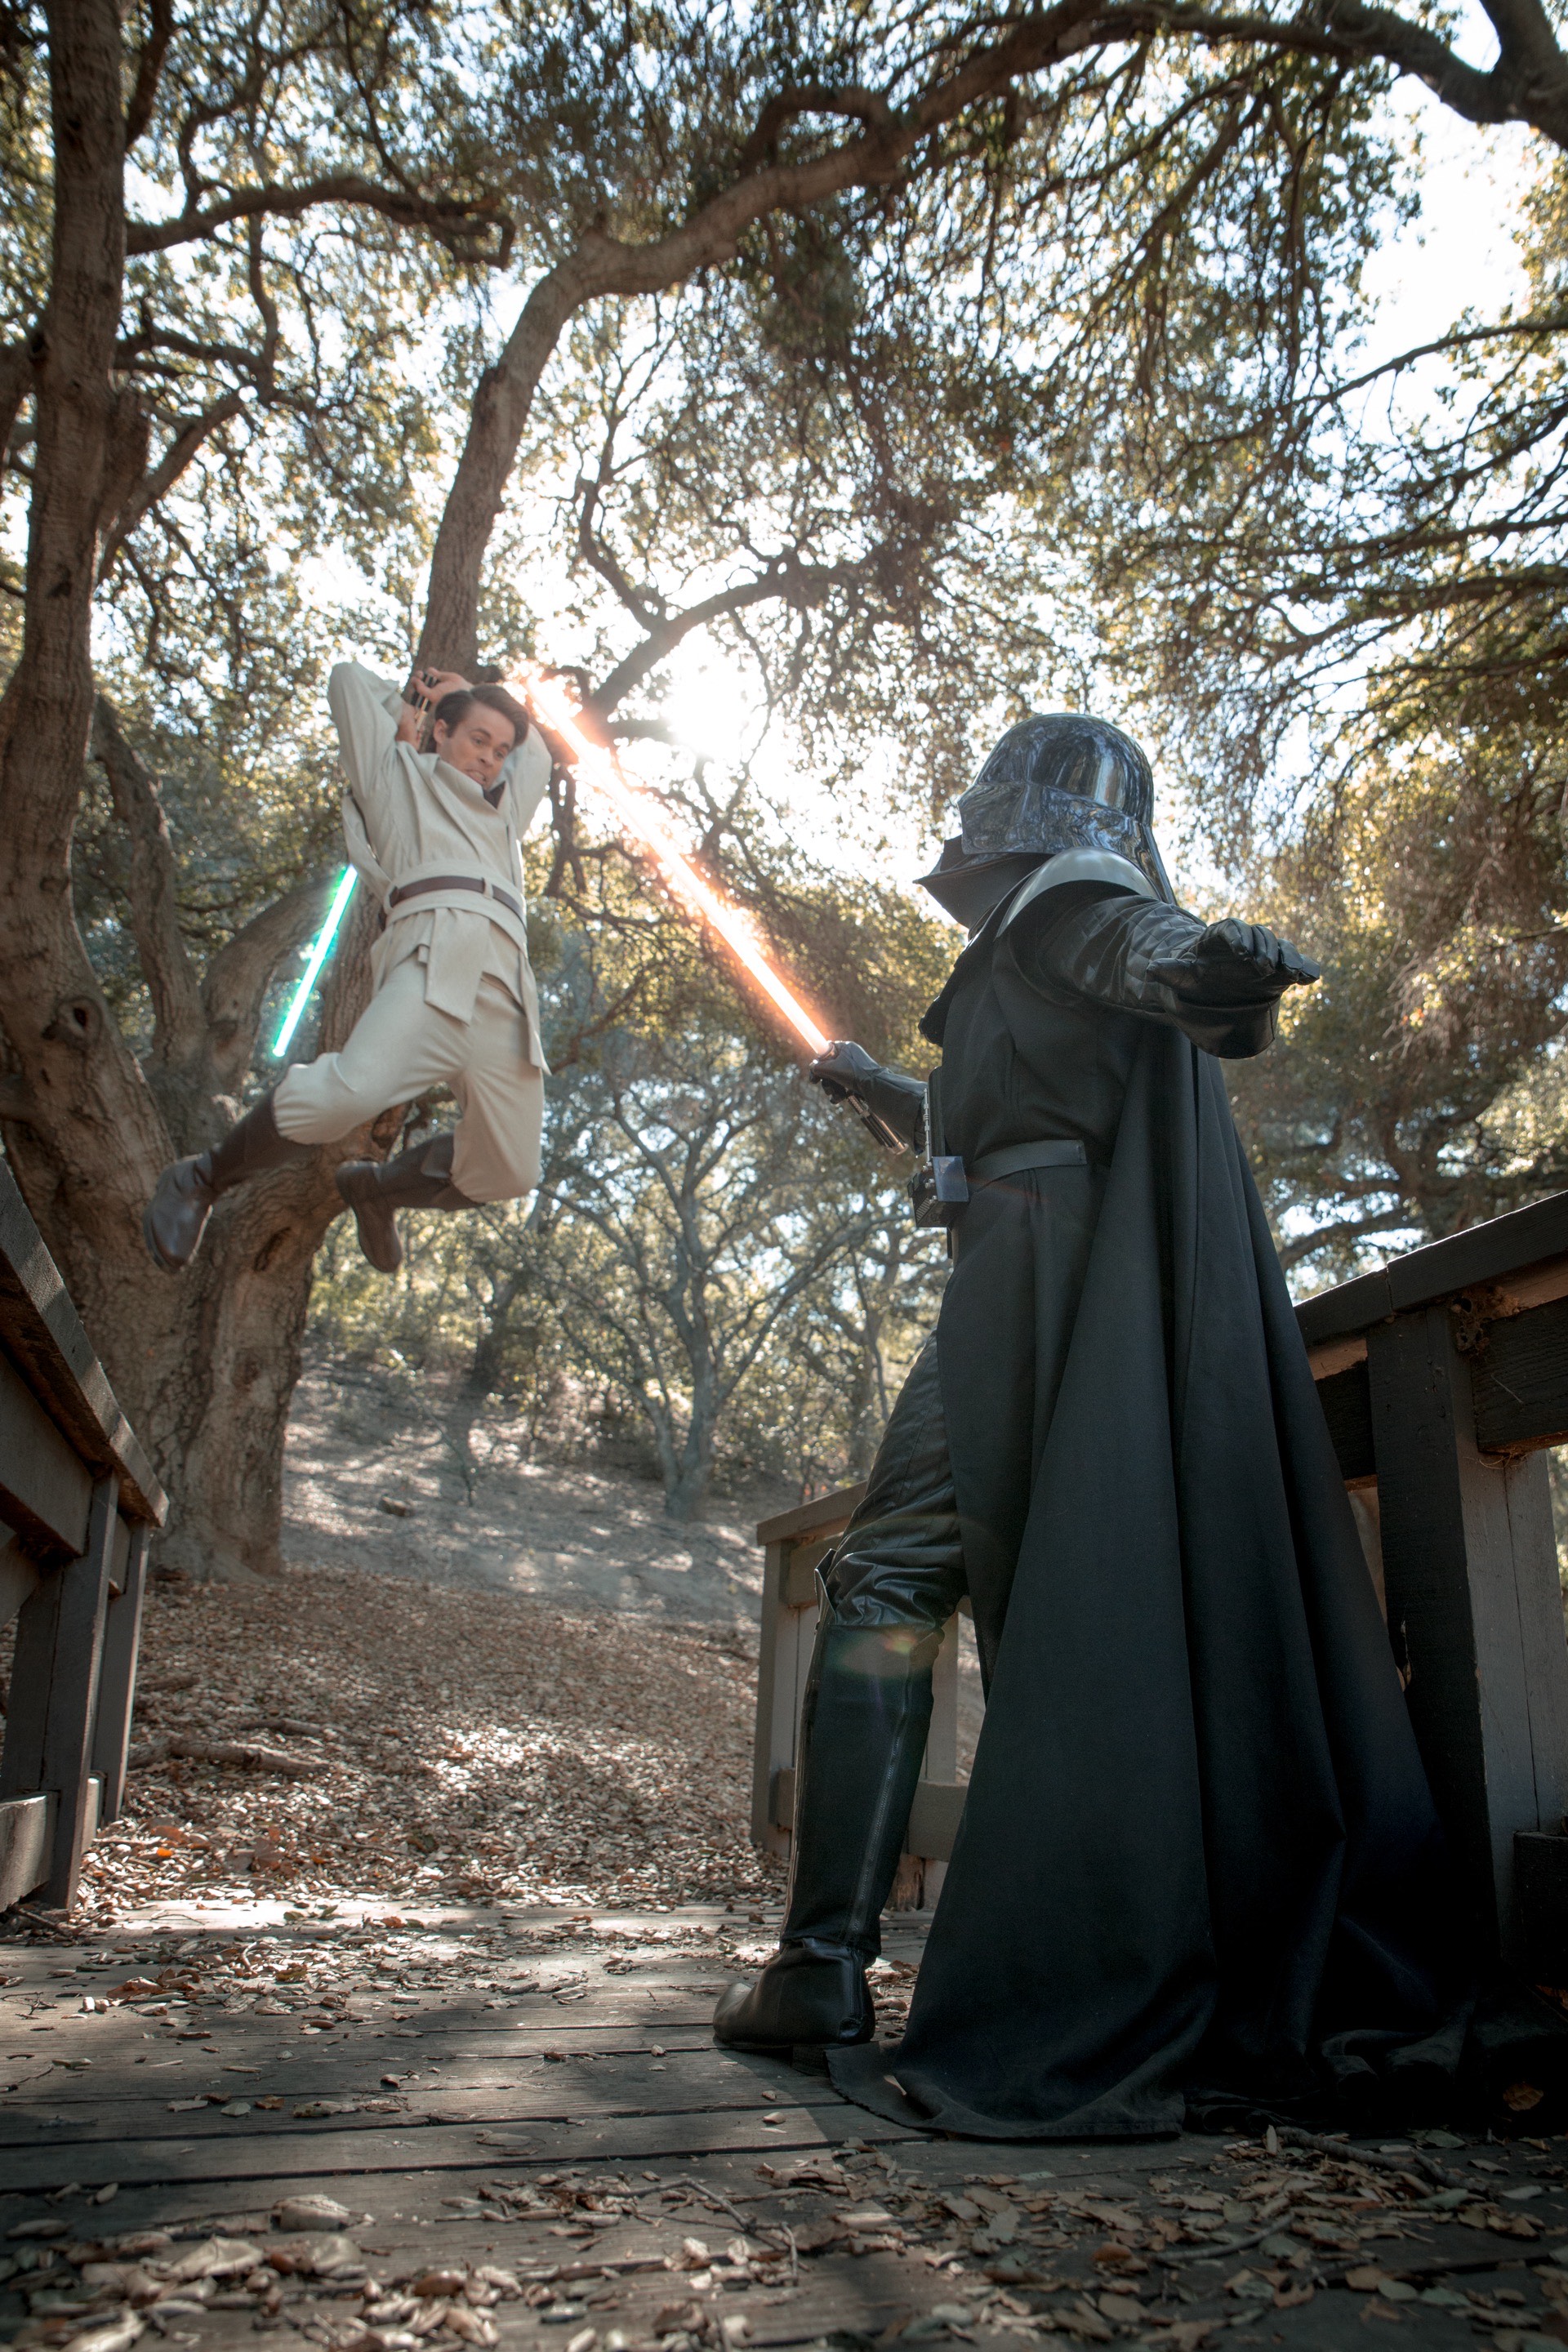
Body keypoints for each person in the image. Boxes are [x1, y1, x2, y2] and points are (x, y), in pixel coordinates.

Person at [714, 711, 1462, 2138]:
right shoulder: (1018, 950)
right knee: (919, 1579)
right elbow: (1002, 1112)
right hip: (1034, 1261)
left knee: (893, 1579)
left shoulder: (1068, 893)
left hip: (1040, 1277)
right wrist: (890, 1095)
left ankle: (824, 1967)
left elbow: (1145, 951)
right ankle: (821, 1967)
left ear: (1029, 805)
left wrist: (1213, 968)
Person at [144, 661, 553, 1276]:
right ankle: (200, 1178)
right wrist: (423, 704)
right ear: (440, 732)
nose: (491, 759)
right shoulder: (395, 781)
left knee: (512, 1171)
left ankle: (376, 1190)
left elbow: (540, 757)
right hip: (434, 967)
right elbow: (345, 681)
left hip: (509, 1006)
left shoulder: (505, 821)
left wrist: (478, 701)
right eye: (477, 739)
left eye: (499, 751)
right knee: (345, 1095)